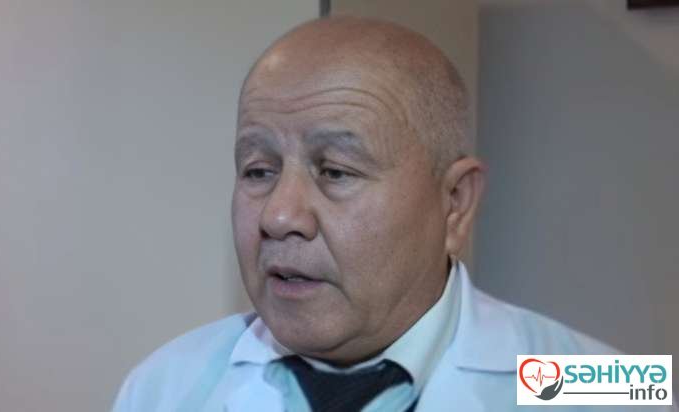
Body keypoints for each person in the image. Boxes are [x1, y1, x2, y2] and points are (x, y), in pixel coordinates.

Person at [112, 16, 674, 412]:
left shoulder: (614, 389)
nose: (279, 216)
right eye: (258, 170)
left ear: (455, 204)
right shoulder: (163, 388)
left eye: (335, 171)